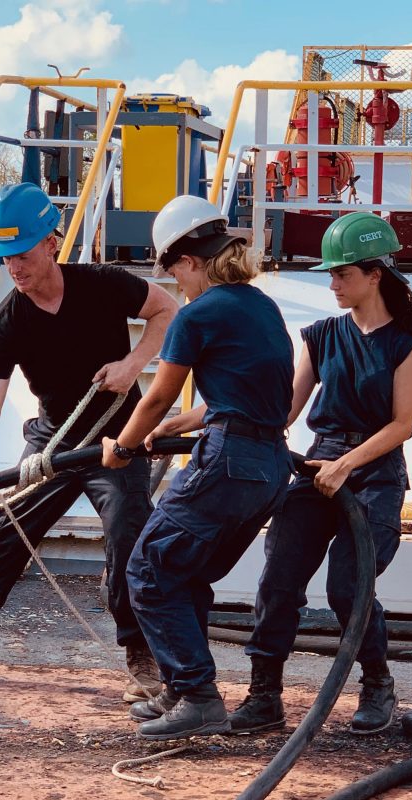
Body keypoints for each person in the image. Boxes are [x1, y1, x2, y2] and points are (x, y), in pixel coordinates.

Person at [0, 182, 177, 700]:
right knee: (8, 531)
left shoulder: (104, 284)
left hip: (116, 437)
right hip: (53, 441)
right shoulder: (6, 322)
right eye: (3, 260)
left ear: (51, 243)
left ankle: (141, 653)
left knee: (126, 532)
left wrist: (135, 364)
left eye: (21, 255)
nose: (14, 270)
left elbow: (166, 310)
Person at [101, 195, 294, 741]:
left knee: (149, 570)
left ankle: (199, 695)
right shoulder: (260, 306)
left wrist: (125, 443)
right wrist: (181, 426)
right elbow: (240, 391)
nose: (174, 283)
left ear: (189, 262)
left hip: (227, 464)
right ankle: (182, 688)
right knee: (186, 574)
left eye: (173, 271)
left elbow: (155, 396)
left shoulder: (198, 313)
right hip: (267, 469)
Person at [230, 212, 412, 737]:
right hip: (317, 466)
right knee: (278, 580)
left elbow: (401, 425)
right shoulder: (321, 336)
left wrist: (347, 464)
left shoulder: (407, 345)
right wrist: (230, 418)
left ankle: (376, 683)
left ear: (375, 275)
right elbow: (287, 410)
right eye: (331, 274)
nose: (333, 283)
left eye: (342, 274)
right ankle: (264, 696)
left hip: (374, 475)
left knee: (349, 585)